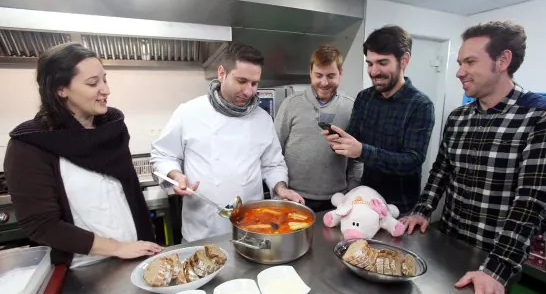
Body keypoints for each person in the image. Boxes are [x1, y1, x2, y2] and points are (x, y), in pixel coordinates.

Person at [401, 21, 546, 294]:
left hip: (495, 255)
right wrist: (423, 209)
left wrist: (496, 269)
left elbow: (534, 202)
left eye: (470, 61)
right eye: (459, 62)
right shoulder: (458, 117)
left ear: (503, 60)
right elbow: (442, 169)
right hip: (448, 245)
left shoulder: (545, 115)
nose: (459, 71)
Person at [4, 42, 162, 267]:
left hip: (137, 256)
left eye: (104, 79)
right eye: (92, 83)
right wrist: (116, 248)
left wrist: (143, 245)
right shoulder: (30, 144)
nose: (106, 90)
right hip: (83, 269)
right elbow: (42, 225)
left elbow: (132, 195)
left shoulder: (113, 129)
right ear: (61, 89)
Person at [151, 43, 303, 242]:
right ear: (222, 73)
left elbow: (272, 164)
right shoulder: (189, 112)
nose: (249, 91)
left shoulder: (262, 119)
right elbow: (163, 155)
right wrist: (176, 175)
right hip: (202, 231)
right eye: (242, 81)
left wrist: (281, 188)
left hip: (251, 230)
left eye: (254, 83)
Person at [324, 25, 435, 215]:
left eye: (382, 63)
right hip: (365, 199)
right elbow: (355, 140)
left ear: (404, 60)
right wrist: (340, 142)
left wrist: (362, 150)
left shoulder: (421, 105)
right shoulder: (364, 98)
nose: (374, 71)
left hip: (400, 208)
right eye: (370, 63)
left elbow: (412, 160)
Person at [274, 45, 363, 212]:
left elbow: (356, 159)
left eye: (331, 76)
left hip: (338, 200)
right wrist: (281, 188)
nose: (324, 82)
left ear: (340, 74)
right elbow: (274, 152)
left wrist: (353, 191)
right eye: (318, 75)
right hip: (294, 198)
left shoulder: (352, 107)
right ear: (310, 73)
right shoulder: (290, 104)